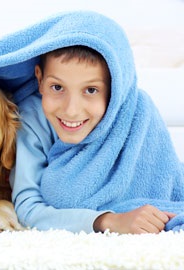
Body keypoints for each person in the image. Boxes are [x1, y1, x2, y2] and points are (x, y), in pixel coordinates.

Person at [10, 45, 179, 234]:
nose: (71, 110)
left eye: (91, 90)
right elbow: (28, 207)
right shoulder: (32, 118)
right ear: (39, 79)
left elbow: (167, 179)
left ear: (115, 88)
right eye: (57, 87)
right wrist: (108, 221)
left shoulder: (136, 114)